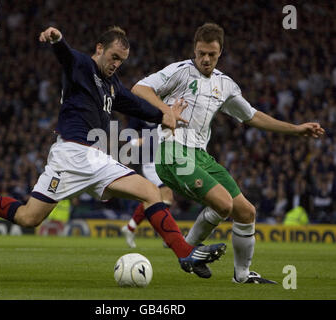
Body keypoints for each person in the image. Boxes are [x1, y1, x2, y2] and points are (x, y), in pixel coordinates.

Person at [0, 26, 227, 278]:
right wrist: (57, 40)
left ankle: (185, 254)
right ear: (99, 49)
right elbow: (67, 56)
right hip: (71, 154)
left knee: (149, 192)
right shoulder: (83, 66)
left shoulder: (111, 84)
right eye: (113, 57)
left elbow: (135, 105)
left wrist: (164, 115)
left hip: (94, 158)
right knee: (29, 217)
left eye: (121, 60)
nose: (116, 64)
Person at [131, 22, 325, 284]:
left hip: (200, 155)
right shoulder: (179, 72)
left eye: (211, 54)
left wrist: (295, 129)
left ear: (220, 51)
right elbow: (139, 89)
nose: (206, 59)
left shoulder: (225, 85)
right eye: (201, 53)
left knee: (246, 212)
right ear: (195, 50)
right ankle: (187, 252)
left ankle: (241, 275)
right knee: (224, 203)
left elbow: (252, 116)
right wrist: (166, 112)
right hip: (172, 152)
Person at [120, 118, 174, 248]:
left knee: (155, 198)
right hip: (150, 162)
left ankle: (131, 227)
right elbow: (127, 133)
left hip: (163, 160)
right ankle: (168, 236)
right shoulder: (142, 109)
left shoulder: (162, 108)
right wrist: (135, 141)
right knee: (166, 194)